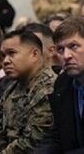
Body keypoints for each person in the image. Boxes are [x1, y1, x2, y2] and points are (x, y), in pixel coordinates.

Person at [36, 16, 84, 153]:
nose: (66, 56)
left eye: (73, 46)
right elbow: (56, 135)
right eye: (61, 49)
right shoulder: (63, 82)